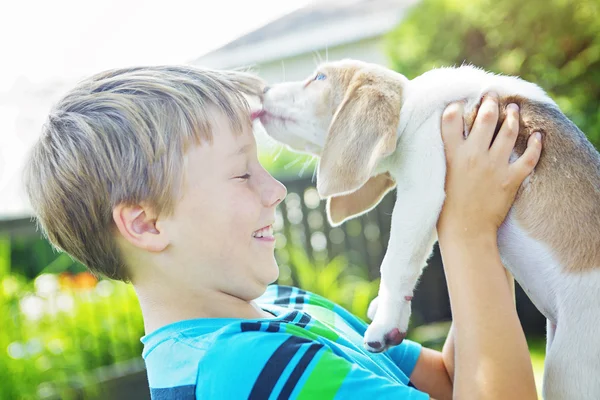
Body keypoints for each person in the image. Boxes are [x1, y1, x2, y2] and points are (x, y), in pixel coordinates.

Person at [24, 66, 541, 399]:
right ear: (146, 224)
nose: (276, 191)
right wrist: (468, 232)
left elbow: (452, 383)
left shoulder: (284, 306)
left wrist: (459, 198)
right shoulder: (240, 372)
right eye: (242, 173)